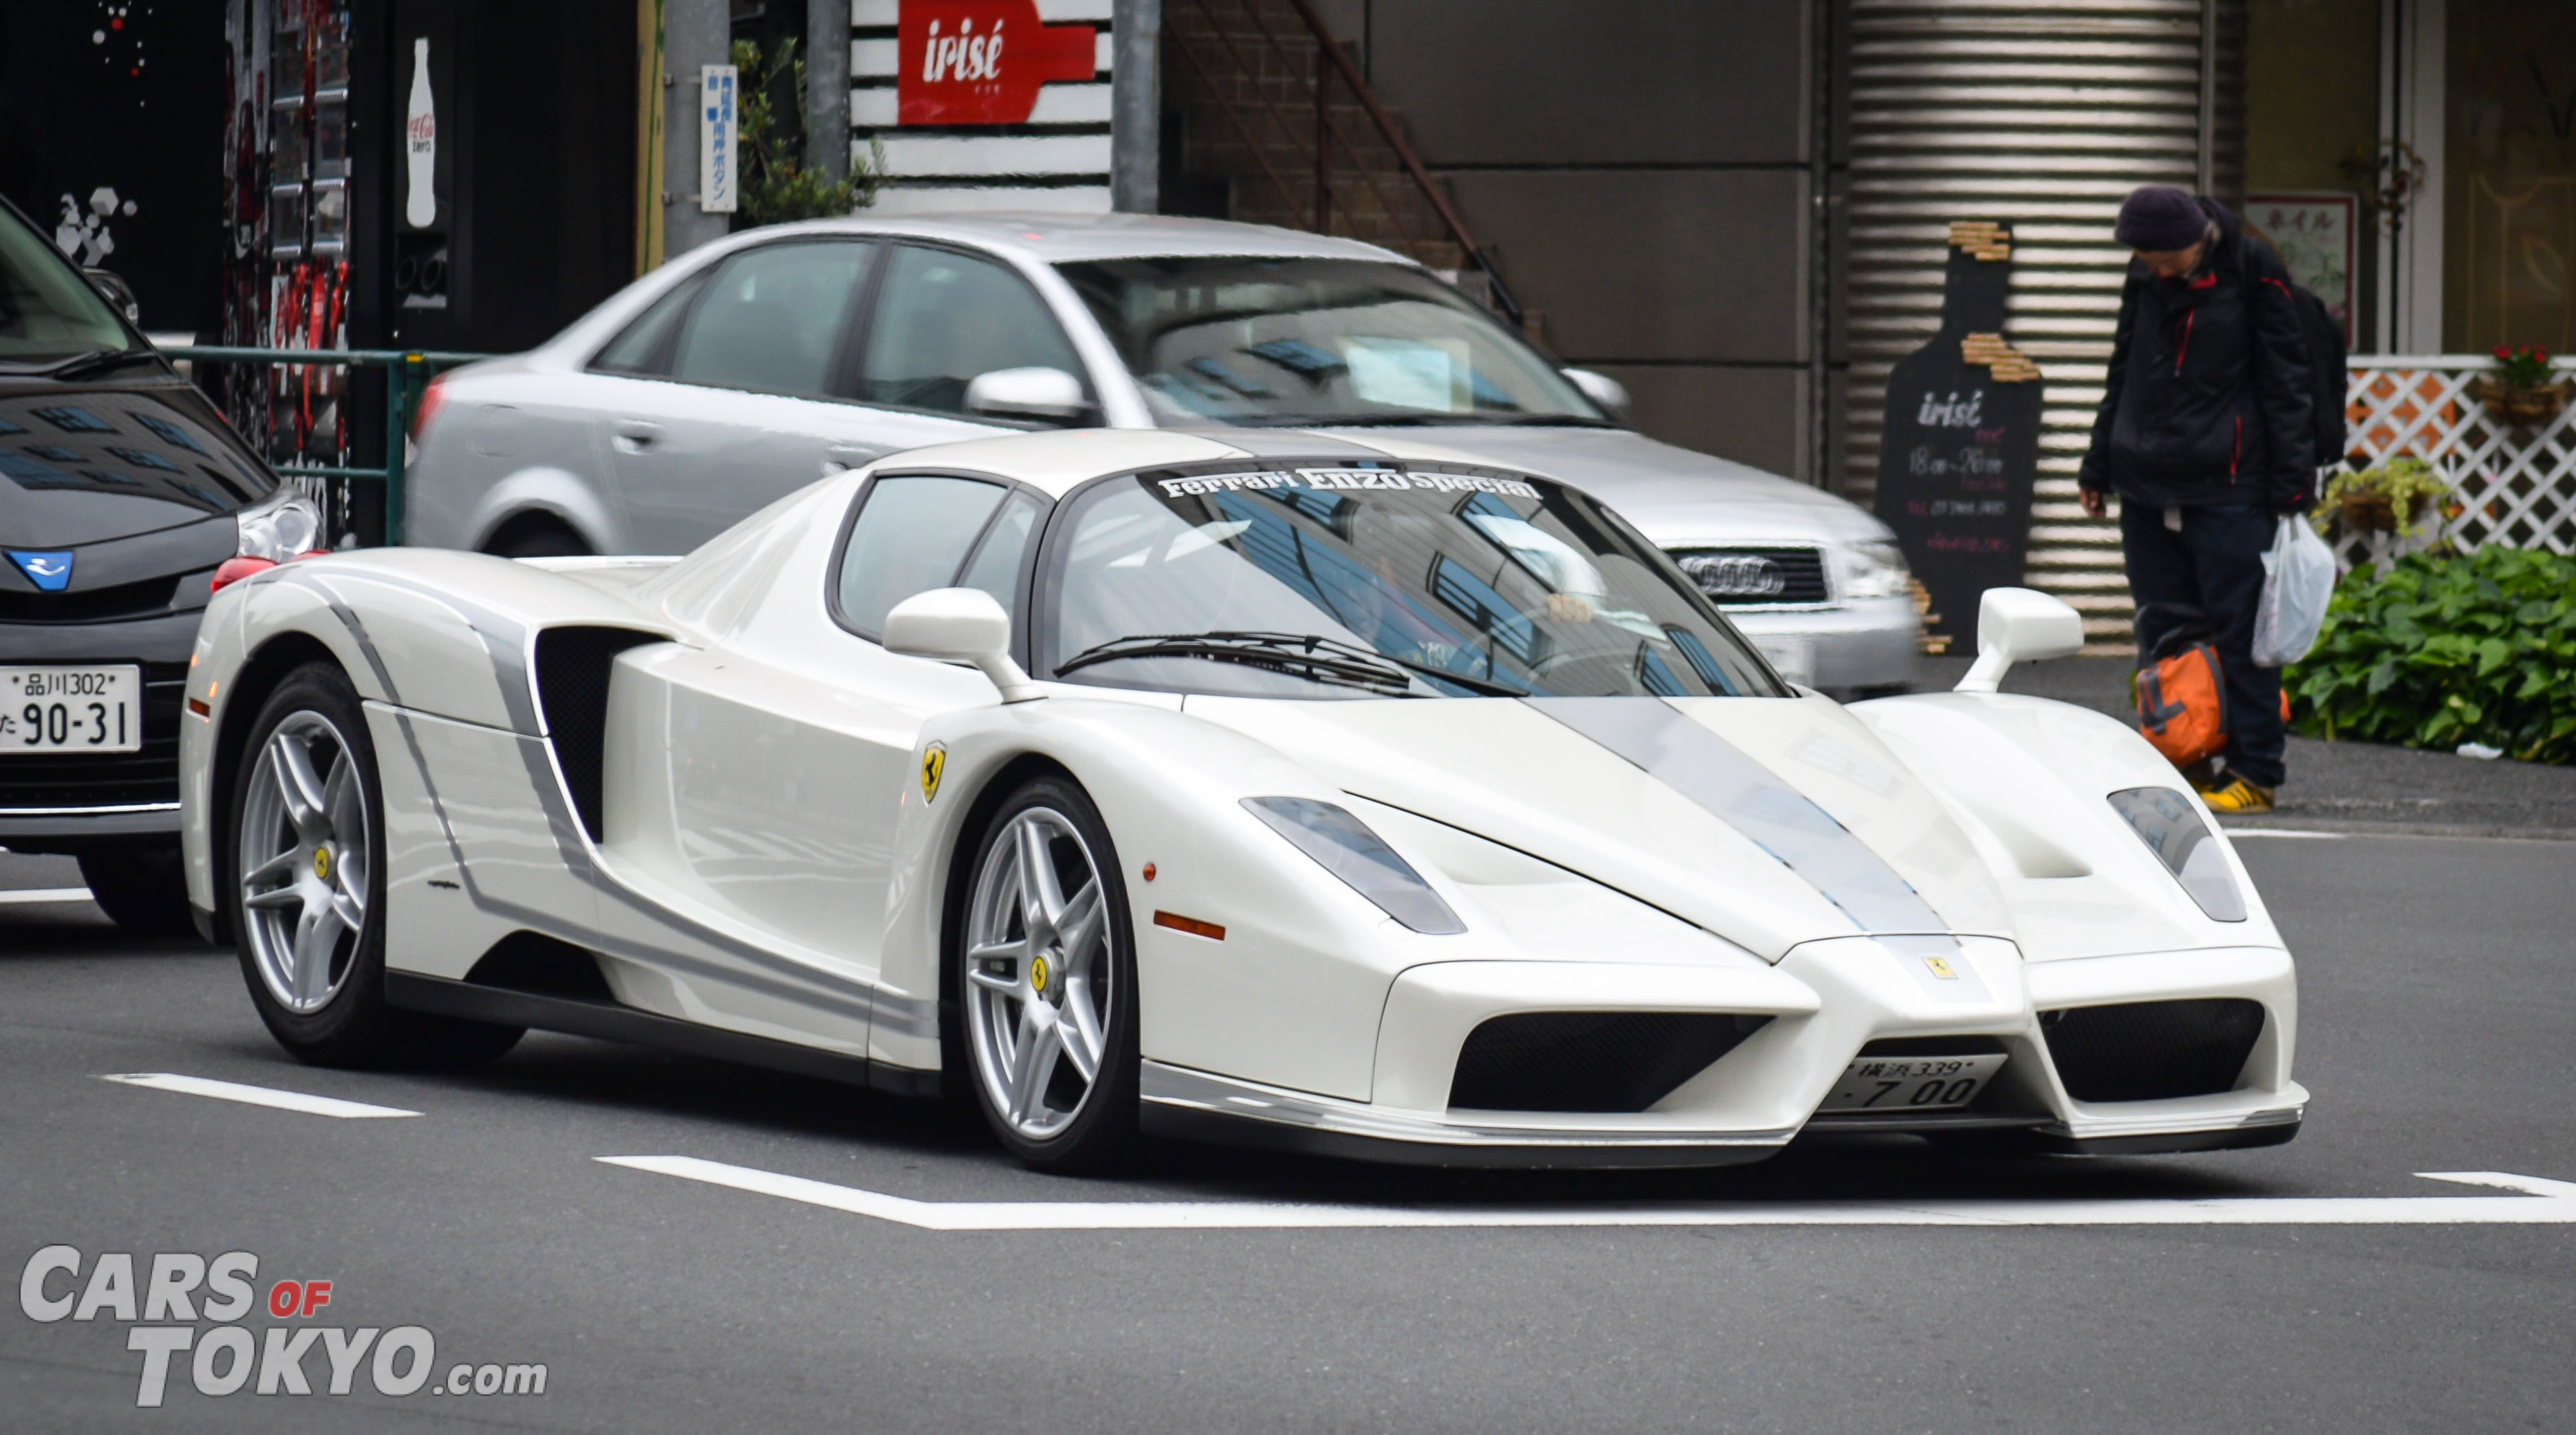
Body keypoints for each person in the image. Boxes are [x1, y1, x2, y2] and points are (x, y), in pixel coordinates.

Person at [2079, 185, 2316, 814]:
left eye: (2166, 257)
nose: (2157, 269)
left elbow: (2285, 377)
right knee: (2163, 629)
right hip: (2145, 482)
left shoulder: (2250, 267)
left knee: (2241, 635)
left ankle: (2256, 772)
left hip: (2228, 483)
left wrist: (2292, 485)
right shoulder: (2146, 273)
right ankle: (2184, 761)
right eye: (2146, 259)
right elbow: (2123, 366)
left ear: (2198, 237)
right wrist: (2097, 462)